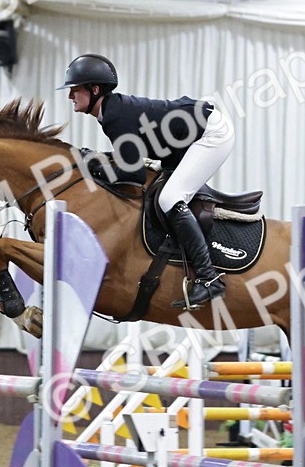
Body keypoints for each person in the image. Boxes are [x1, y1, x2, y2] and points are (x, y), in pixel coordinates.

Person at [59, 53, 234, 310]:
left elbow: (134, 175)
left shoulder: (115, 117)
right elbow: (129, 161)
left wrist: (95, 170)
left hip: (211, 134)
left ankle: (209, 279)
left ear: (94, 89)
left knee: (170, 198)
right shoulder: (111, 113)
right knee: (162, 191)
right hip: (186, 137)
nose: (70, 96)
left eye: (74, 90)